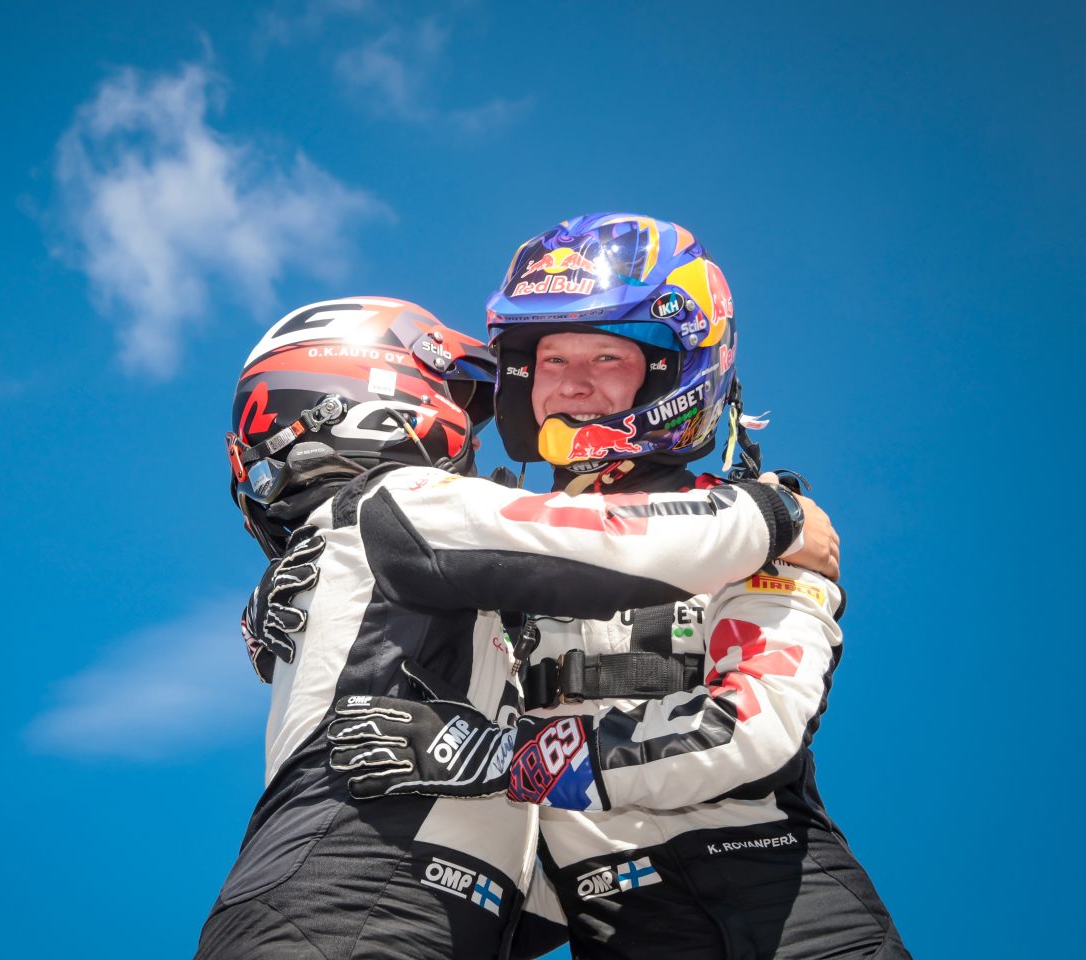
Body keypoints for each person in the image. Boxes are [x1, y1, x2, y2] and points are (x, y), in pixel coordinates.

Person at [326, 213, 908, 958]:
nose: (572, 384)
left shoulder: (767, 523)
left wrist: (502, 758)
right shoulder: (489, 549)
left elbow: (751, 729)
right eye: (551, 358)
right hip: (612, 929)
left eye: (607, 355)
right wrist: (313, 597)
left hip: (787, 918)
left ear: (672, 371)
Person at [196, 295, 832, 960]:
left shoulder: (365, 551)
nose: (475, 443)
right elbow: (613, 541)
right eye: (455, 397)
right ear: (375, 391)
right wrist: (777, 513)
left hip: (397, 906)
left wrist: (508, 761)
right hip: (351, 895)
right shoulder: (396, 504)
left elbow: (534, 873)